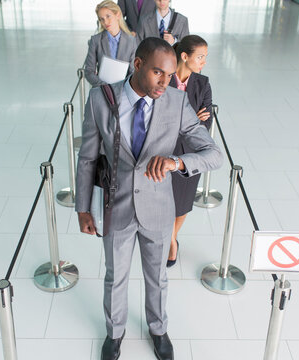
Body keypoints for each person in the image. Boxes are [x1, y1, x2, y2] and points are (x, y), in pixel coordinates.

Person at [76, 37, 222, 360]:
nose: (165, 83)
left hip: (158, 207)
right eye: (158, 73)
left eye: (170, 75)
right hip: (117, 206)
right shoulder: (101, 99)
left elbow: (213, 154)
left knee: (157, 275)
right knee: (115, 276)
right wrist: (83, 207)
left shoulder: (175, 102)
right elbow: (87, 157)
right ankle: (114, 333)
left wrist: (176, 162)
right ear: (138, 65)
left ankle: (158, 329)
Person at [166, 35, 212, 267]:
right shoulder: (164, 78)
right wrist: (192, 119)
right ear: (184, 56)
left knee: (183, 203)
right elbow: (156, 119)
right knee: (164, 200)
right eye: (200, 57)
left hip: (191, 156)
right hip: (163, 152)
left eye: (205, 57)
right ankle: (167, 236)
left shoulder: (202, 84)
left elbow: (205, 124)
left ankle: (171, 239)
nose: (204, 62)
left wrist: (184, 121)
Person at [84, 0, 138, 87]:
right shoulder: (95, 40)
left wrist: (121, 87)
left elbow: (133, 72)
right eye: (102, 19)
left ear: (118, 15)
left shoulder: (131, 41)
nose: (105, 22)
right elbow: (89, 71)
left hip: (124, 90)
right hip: (101, 89)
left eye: (108, 16)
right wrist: (105, 86)